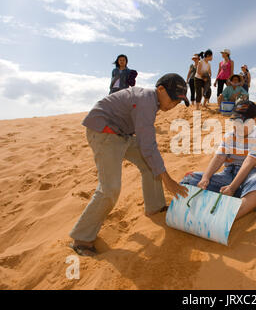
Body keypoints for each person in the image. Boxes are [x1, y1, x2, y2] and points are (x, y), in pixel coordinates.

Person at [69, 73, 190, 257]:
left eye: (177, 102)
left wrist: (162, 173)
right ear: (160, 89)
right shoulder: (146, 101)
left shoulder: (152, 102)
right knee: (110, 189)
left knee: (150, 166)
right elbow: (148, 145)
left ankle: (155, 207)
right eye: (173, 99)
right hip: (104, 132)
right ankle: (82, 238)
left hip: (122, 135)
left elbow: (147, 147)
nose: (173, 105)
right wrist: (168, 181)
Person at [180, 101, 256, 220]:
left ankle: (227, 217)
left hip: (250, 177)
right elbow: (219, 157)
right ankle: (198, 207)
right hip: (228, 176)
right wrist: (206, 178)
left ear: (254, 120)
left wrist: (232, 187)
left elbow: (248, 163)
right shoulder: (229, 136)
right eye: (235, 121)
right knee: (191, 178)